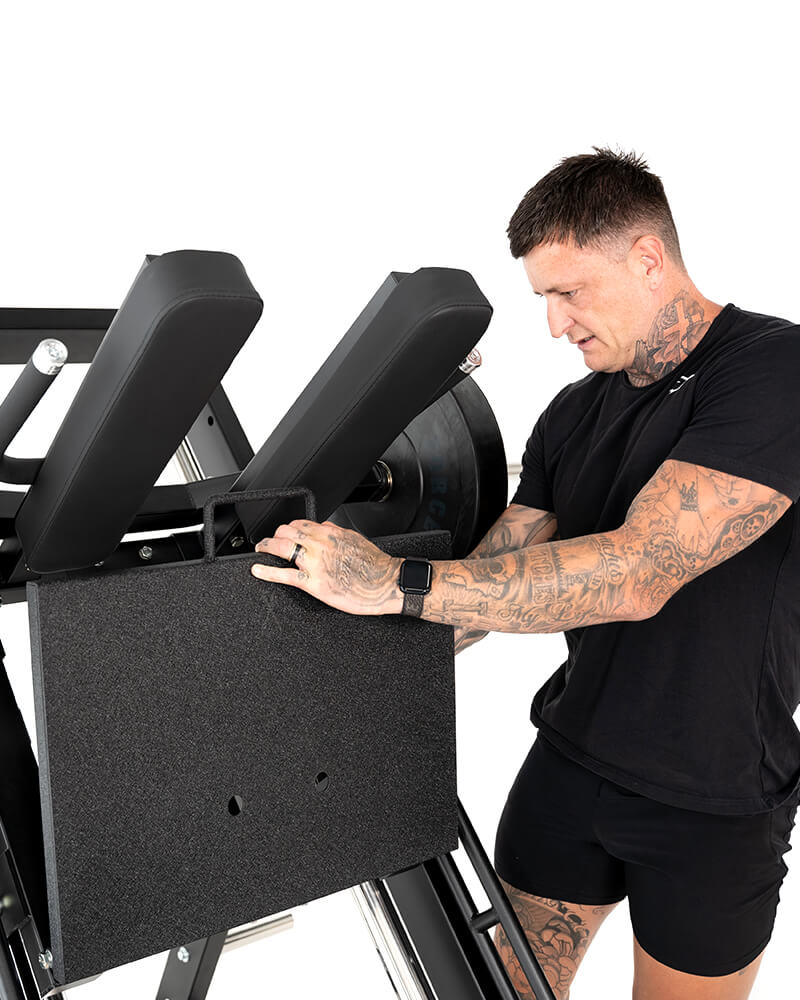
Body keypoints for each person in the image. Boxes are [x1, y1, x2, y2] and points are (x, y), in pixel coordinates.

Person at [250, 148, 800, 1000]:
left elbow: (640, 571)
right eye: (542, 297)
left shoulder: (772, 369)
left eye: (570, 292)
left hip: (712, 795)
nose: (553, 324)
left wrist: (394, 581)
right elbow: (489, 583)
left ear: (648, 258)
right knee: (498, 987)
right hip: (572, 762)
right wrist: (311, 649)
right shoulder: (573, 412)